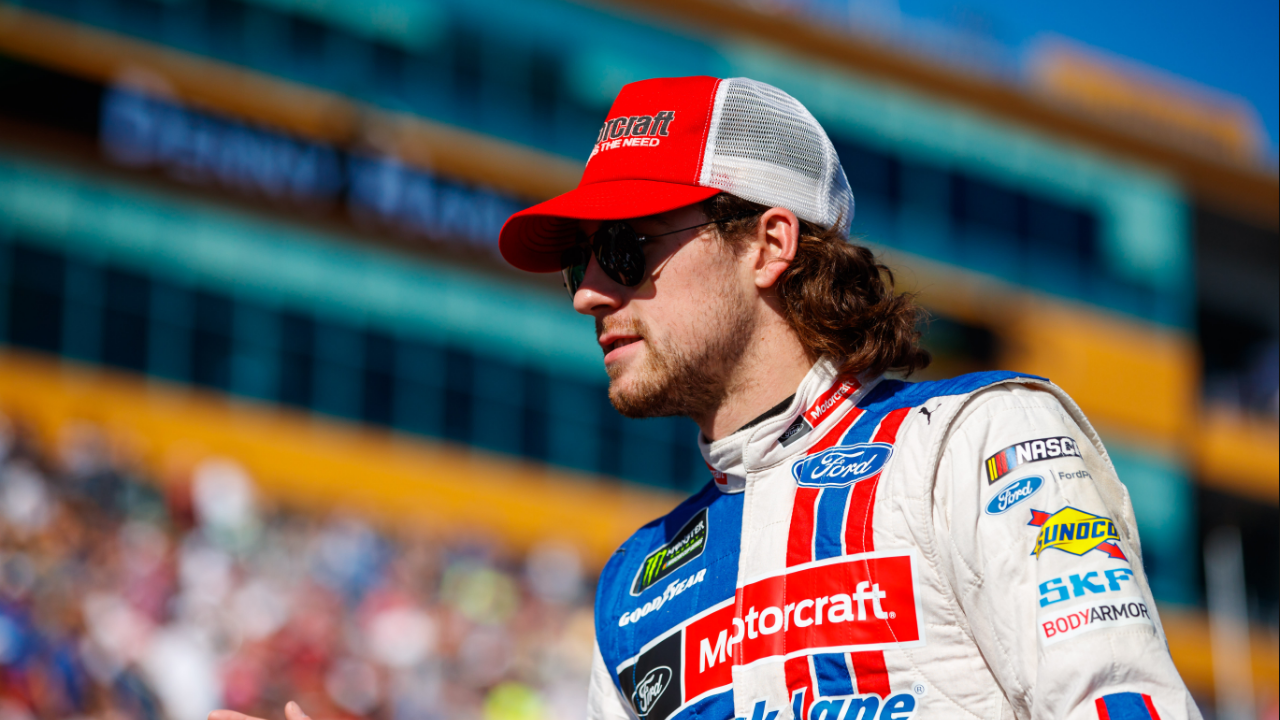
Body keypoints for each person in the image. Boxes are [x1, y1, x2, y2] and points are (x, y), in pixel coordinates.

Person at [211, 75, 1198, 720]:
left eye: (626, 248)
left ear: (767, 245)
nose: (592, 293)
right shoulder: (633, 585)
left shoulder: (976, 442)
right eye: (580, 268)